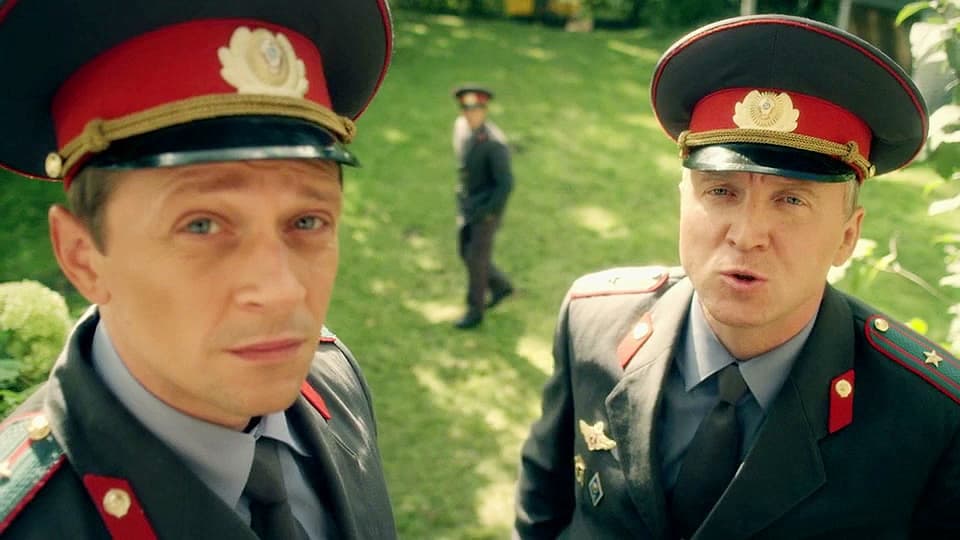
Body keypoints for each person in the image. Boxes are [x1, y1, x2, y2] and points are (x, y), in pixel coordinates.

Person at [514, 14, 960, 540]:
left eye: (791, 200)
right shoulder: (592, 323)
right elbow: (541, 512)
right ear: (683, 204)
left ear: (847, 236)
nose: (747, 236)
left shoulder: (929, 416)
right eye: (721, 191)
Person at [0, 2, 397, 538]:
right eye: (202, 225)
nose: (282, 291)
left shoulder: (335, 379)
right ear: (82, 256)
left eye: (307, 220)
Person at [451, 85, 515, 329]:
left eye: (475, 109)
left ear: (484, 110)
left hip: (485, 211)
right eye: (466, 109)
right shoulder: (461, 128)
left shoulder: (494, 143)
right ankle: (501, 285)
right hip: (468, 204)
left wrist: (488, 212)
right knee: (466, 253)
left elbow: (505, 184)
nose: (470, 114)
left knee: (476, 260)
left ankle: (474, 311)